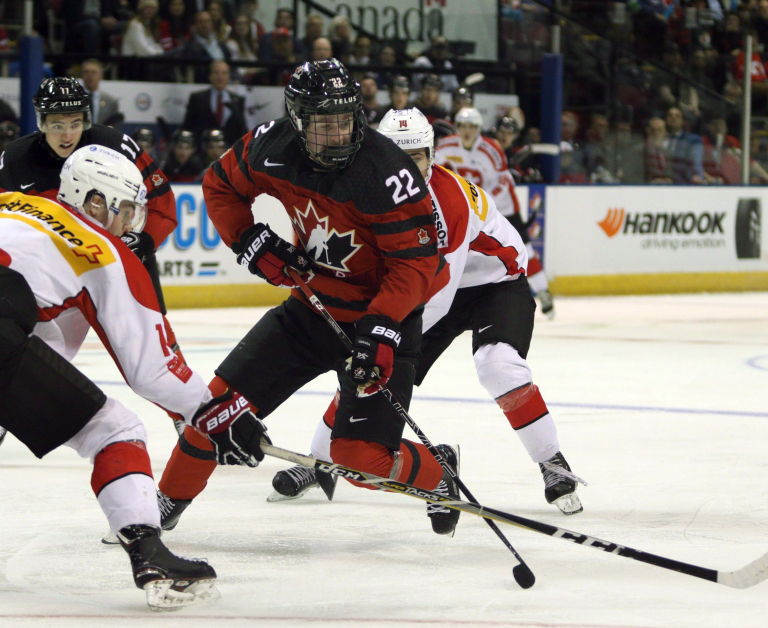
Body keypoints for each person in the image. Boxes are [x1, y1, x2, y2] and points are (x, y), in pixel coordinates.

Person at [154, 59, 456, 535]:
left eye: (345, 119)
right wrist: (249, 240)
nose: (338, 133)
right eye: (323, 122)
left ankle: (439, 471)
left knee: (359, 460)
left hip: (383, 322)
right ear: (298, 120)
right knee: (217, 407)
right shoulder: (270, 145)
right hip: (311, 309)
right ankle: (158, 508)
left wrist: (381, 325)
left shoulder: (388, 173)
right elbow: (220, 185)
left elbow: (417, 264)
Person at [269, 108, 584, 515]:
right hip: (425, 289)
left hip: (492, 284)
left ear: (432, 154)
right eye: (394, 154)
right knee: (369, 368)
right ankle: (322, 459)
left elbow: (438, 291)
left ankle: (553, 464)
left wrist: (377, 338)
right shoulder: (363, 190)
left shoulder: (449, 200)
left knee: (497, 365)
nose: (405, 166)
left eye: (415, 156)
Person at [0, 145, 268, 610]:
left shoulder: (10, 201)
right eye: (124, 210)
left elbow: (40, 335)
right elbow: (154, 370)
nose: (129, 225)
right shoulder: (101, 248)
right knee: (114, 431)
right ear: (94, 202)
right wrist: (215, 411)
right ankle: (149, 551)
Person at [0, 78, 180, 358]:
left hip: (117, 260)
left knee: (158, 357)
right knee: (44, 359)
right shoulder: (15, 159)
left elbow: (163, 205)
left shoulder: (117, 145)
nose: (67, 135)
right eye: (56, 125)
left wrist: (141, 242)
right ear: (41, 123)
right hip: (53, 275)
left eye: (75, 123)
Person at [436, 107, 555, 319]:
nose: (467, 131)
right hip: (467, 207)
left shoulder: (491, 149)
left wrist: (482, 201)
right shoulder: (445, 146)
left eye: (472, 126)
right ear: (456, 126)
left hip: (502, 205)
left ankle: (543, 291)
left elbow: (503, 181)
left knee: (524, 246)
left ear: (479, 128)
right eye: (463, 126)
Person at [182, 60, 249, 146]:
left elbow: (241, 130)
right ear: (210, 76)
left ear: (229, 77)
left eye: (224, 73)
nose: (220, 77)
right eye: (216, 72)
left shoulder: (237, 100)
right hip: (203, 151)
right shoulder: (198, 98)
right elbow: (188, 127)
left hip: (230, 153)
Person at [663, 107, 705, 184]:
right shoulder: (659, 137)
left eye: (677, 116)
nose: (673, 118)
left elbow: (695, 161)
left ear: (683, 121)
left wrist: (698, 176)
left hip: (682, 184)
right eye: (670, 115)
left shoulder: (692, 140)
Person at [81, 58, 121, 129]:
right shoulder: (75, 100)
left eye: (93, 72)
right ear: (82, 75)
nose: (90, 76)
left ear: (101, 76)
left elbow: (115, 128)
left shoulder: (111, 102)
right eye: (86, 72)